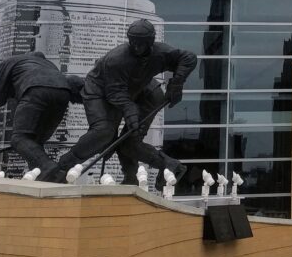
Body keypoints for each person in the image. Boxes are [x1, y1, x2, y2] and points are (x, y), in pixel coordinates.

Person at [48, 19, 194, 184]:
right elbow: (115, 94)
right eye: (133, 43)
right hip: (117, 92)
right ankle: (63, 168)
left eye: (141, 44)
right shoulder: (116, 60)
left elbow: (188, 58)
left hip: (146, 93)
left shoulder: (160, 53)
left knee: (123, 140)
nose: (136, 47)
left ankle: (61, 169)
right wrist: (129, 114)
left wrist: (177, 83)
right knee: (111, 136)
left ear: (150, 42)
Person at [0, 51, 84, 180]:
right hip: (63, 94)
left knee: (19, 138)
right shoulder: (49, 65)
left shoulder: (10, 61)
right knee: (35, 143)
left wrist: (10, 92)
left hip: (35, 90)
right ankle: (46, 176)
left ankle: (47, 167)